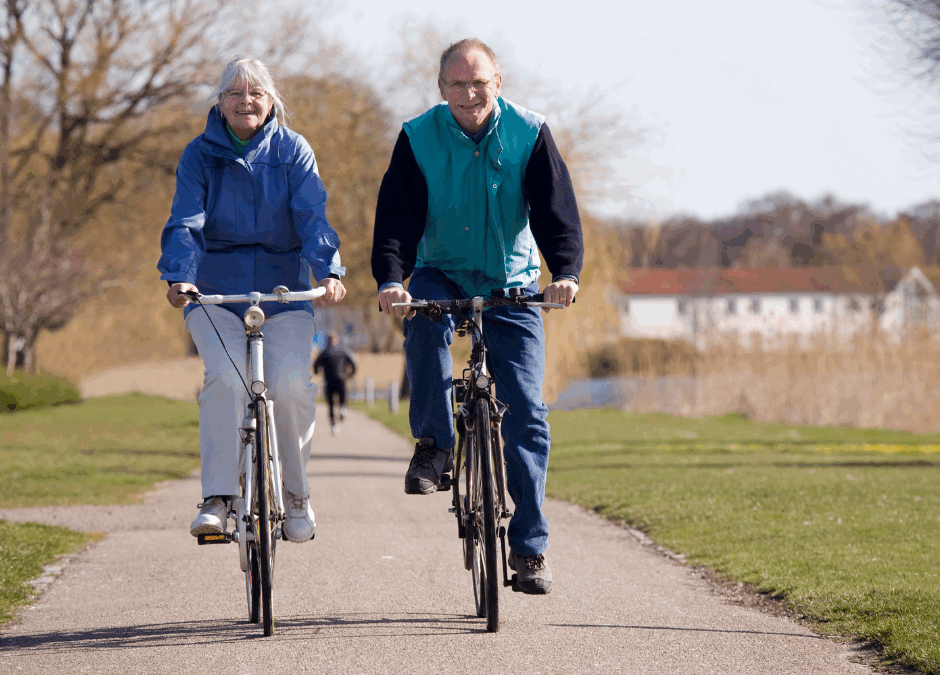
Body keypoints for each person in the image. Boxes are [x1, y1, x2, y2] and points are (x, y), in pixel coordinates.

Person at [372, 38, 582, 594]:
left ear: (498, 81)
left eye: (479, 82)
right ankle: (436, 446)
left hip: (510, 280)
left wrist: (565, 274)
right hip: (440, 269)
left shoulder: (529, 132)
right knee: (421, 327)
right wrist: (392, 280)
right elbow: (396, 219)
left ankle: (530, 550)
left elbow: (557, 213)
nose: (470, 94)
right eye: (458, 84)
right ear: (441, 89)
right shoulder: (417, 137)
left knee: (528, 413)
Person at [158, 55, 346, 543]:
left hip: (283, 295)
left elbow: (312, 217)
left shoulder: (293, 151)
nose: (246, 102)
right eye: (235, 93)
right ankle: (218, 498)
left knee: (291, 386)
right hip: (216, 294)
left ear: (271, 101)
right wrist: (180, 276)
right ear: (220, 102)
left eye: (256, 93)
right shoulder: (199, 155)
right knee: (225, 379)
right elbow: (186, 221)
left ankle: (297, 496)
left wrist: (327, 271)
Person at [313, 331, 358, 435]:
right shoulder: (343, 351)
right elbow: (353, 363)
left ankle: (334, 426)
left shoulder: (324, 353)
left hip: (328, 381)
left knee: (331, 405)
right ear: (336, 340)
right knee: (342, 398)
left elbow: (315, 365)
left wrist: (317, 372)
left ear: (327, 341)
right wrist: (351, 374)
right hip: (342, 380)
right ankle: (342, 409)